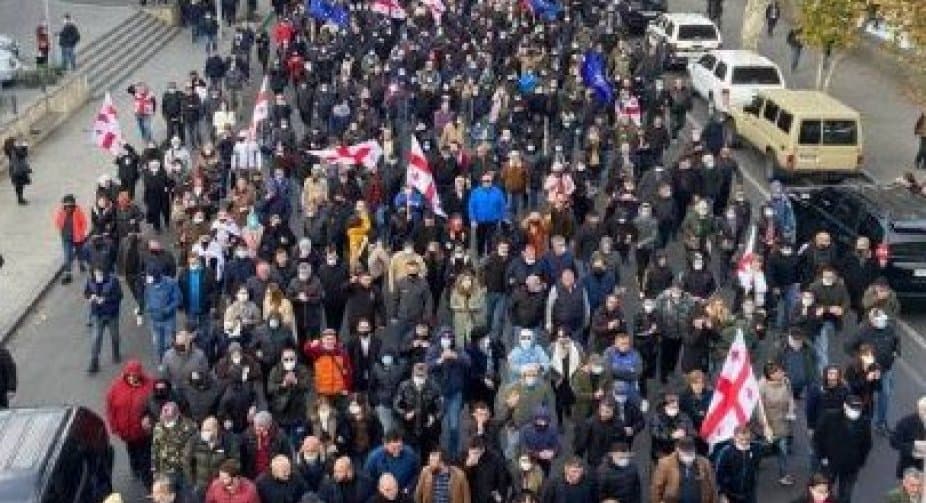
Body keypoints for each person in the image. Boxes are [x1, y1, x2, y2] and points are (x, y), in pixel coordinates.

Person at [845, 307, 900, 434]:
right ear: (872, 320)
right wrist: (861, 359)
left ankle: (880, 423)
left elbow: (897, 340)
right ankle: (856, 419)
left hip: (885, 369)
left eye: (883, 320)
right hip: (866, 370)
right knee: (863, 393)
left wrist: (897, 351)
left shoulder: (890, 328)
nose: (883, 322)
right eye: (879, 320)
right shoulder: (863, 332)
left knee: (885, 394)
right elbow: (848, 346)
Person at [814, 395, 872, 503]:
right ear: (845, 406)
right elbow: (818, 437)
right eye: (853, 408)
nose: (855, 411)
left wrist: (860, 461)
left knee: (845, 496)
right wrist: (822, 457)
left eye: (858, 409)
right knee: (824, 492)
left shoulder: (864, 422)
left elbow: (867, 444)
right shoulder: (830, 417)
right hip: (830, 463)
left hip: (851, 466)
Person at [106, 360, 154, 486]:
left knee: (145, 457)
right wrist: (114, 427)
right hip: (127, 433)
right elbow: (110, 409)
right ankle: (135, 468)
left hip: (143, 433)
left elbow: (155, 406)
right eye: (130, 375)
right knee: (132, 451)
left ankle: (147, 480)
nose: (132, 378)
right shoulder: (116, 388)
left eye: (135, 375)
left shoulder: (149, 386)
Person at [650, 437, 719, 503]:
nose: (687, 457)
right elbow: (656, 488)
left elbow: (712, 487)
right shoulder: (666, 463)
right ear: (678, 450)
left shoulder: (704, 463)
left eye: (690, 453)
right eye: (685, 453)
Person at [84, 266, 123, 373]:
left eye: (100, 273)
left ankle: (116, 353)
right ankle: (94, 362)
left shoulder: (113, 281)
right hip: (98, 314)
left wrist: (105, 300)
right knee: (96, 338)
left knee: (114, 335)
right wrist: (90, 297)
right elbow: (86, 292)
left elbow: (119, 296)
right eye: (96, 273)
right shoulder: (90, 281)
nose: (98, 276)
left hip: (111, 314)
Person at [713, 426, 764, 503]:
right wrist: (721, 494)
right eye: (741, 439)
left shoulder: (755, 449)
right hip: (731, 494)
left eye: (747, 439)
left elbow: (757, 463)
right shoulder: (725, 453)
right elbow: (719, 474)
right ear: (735, 438)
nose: (744, 442)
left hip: (749, 493)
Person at [364, 430, 421, 494]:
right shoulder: (374, 457)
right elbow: (367, 479)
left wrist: (408, 488)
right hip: (383, 494)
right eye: (394, 448)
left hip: (404, 493)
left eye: (399, 447)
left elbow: (417, 474)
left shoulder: (410, 453)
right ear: (385, 444)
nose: (397, 451)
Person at [54, 194, 89, 285]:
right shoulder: (62, 212)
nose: (69, 208)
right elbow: (57, 222)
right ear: (64, 206)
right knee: (67, 256)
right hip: (66, 238)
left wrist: (82, 233)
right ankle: (68, 274)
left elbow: (84, 222)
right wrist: (61, 224)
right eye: (67, 206)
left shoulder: (78, 211)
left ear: (73, 205)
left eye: (70, 206)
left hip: (78, 237)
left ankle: (81, 263)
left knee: (80, 252)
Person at [890, 396, 926, 479]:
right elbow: (894, 441)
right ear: (919, 410)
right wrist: (912, 447)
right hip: (910, 467)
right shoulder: (906, 423)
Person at [8, 138, 31, 205]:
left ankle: (20, 198)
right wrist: (25, 147)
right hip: (18, 171)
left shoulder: (12, 150)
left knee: (18, 186)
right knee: (19, 186)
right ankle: (20, 199)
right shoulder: (15, 150)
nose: (17, 143)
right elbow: (23, 155)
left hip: (14, 171)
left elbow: (22, 155)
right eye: (16, 142)